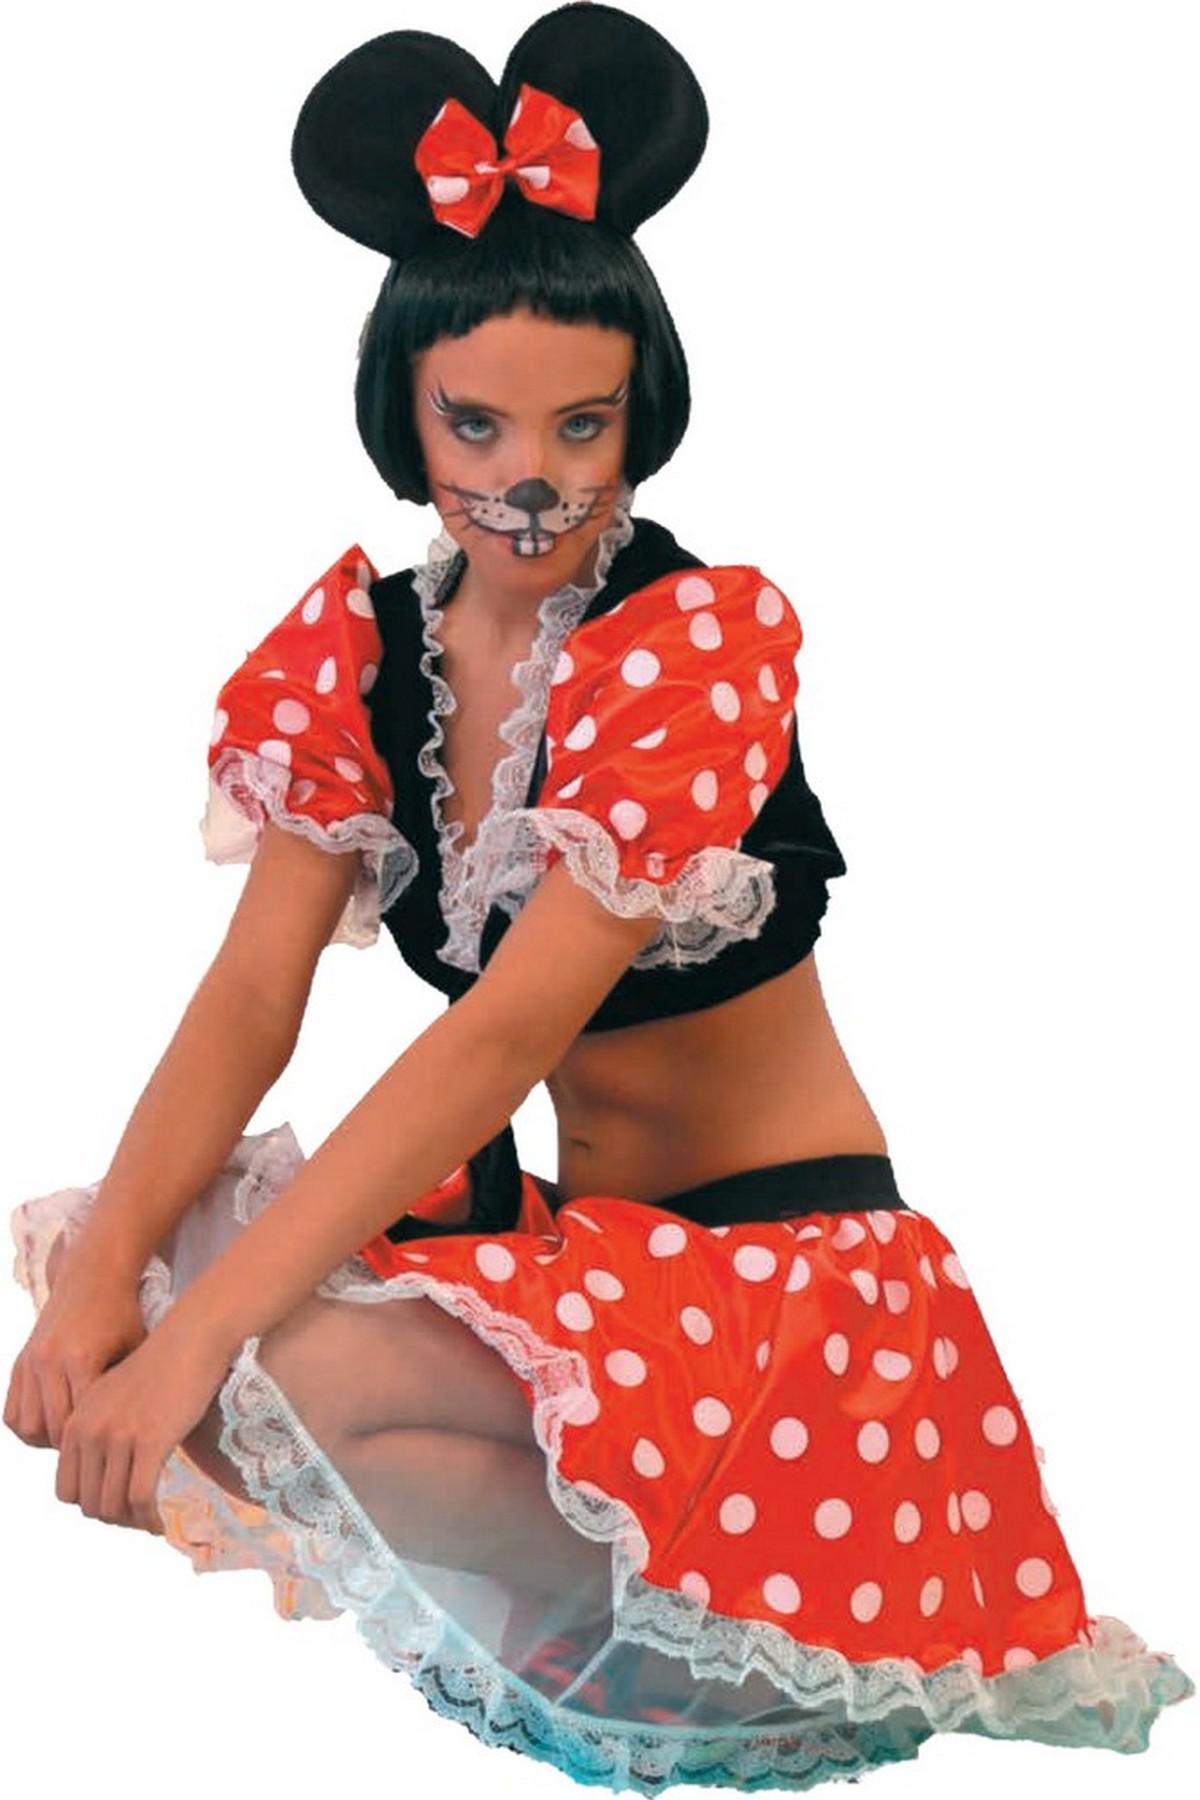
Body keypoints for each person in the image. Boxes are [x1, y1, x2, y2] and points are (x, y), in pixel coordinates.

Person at [5, 5, 1194, 1792]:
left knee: (255, 1366)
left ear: (642, 418)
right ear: (404, 415)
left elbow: (504, 1033)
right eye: (476, 423)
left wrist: (196, 1340)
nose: (532, 481)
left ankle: (733, 1649)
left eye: (585, 424)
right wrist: (102, 1287)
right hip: (596, 1272)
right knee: (164, 1321)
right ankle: (643, 1643)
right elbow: (253, 996)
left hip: (790, 1296)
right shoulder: (361, 654)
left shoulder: (691, 645)